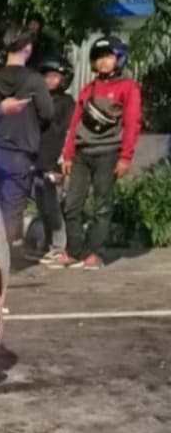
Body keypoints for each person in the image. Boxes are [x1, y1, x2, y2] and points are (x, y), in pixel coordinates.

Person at [53, 35, 143, 270]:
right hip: (82, 154)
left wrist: (125, 157)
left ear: (119, 59)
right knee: (72, 204)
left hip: (108, 154)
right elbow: (75, 123)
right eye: (99, 58)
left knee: (102, 206)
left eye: (109, 57)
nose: (103, 62)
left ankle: (93, 253)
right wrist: (68, 153)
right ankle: (74, 250)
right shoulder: (88, 89)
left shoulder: (128, 88)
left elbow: (133, 124)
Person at [0, 34, 53, 248]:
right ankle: (7, 257)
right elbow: (47, 113)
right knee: (13, 207)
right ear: (28, 50)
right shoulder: (34, 81)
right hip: (20, 151)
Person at [32, 58, 76, 263]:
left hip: (54, 160)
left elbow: (68, 132)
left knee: (53, 206)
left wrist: (63, 159)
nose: (50, 81)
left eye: (55, 76)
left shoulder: (66, 103)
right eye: (46, 76)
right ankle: (48, 245)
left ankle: (59, 247)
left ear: (64, 79)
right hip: (37, 160)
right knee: (42, 206)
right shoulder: (37, 100)